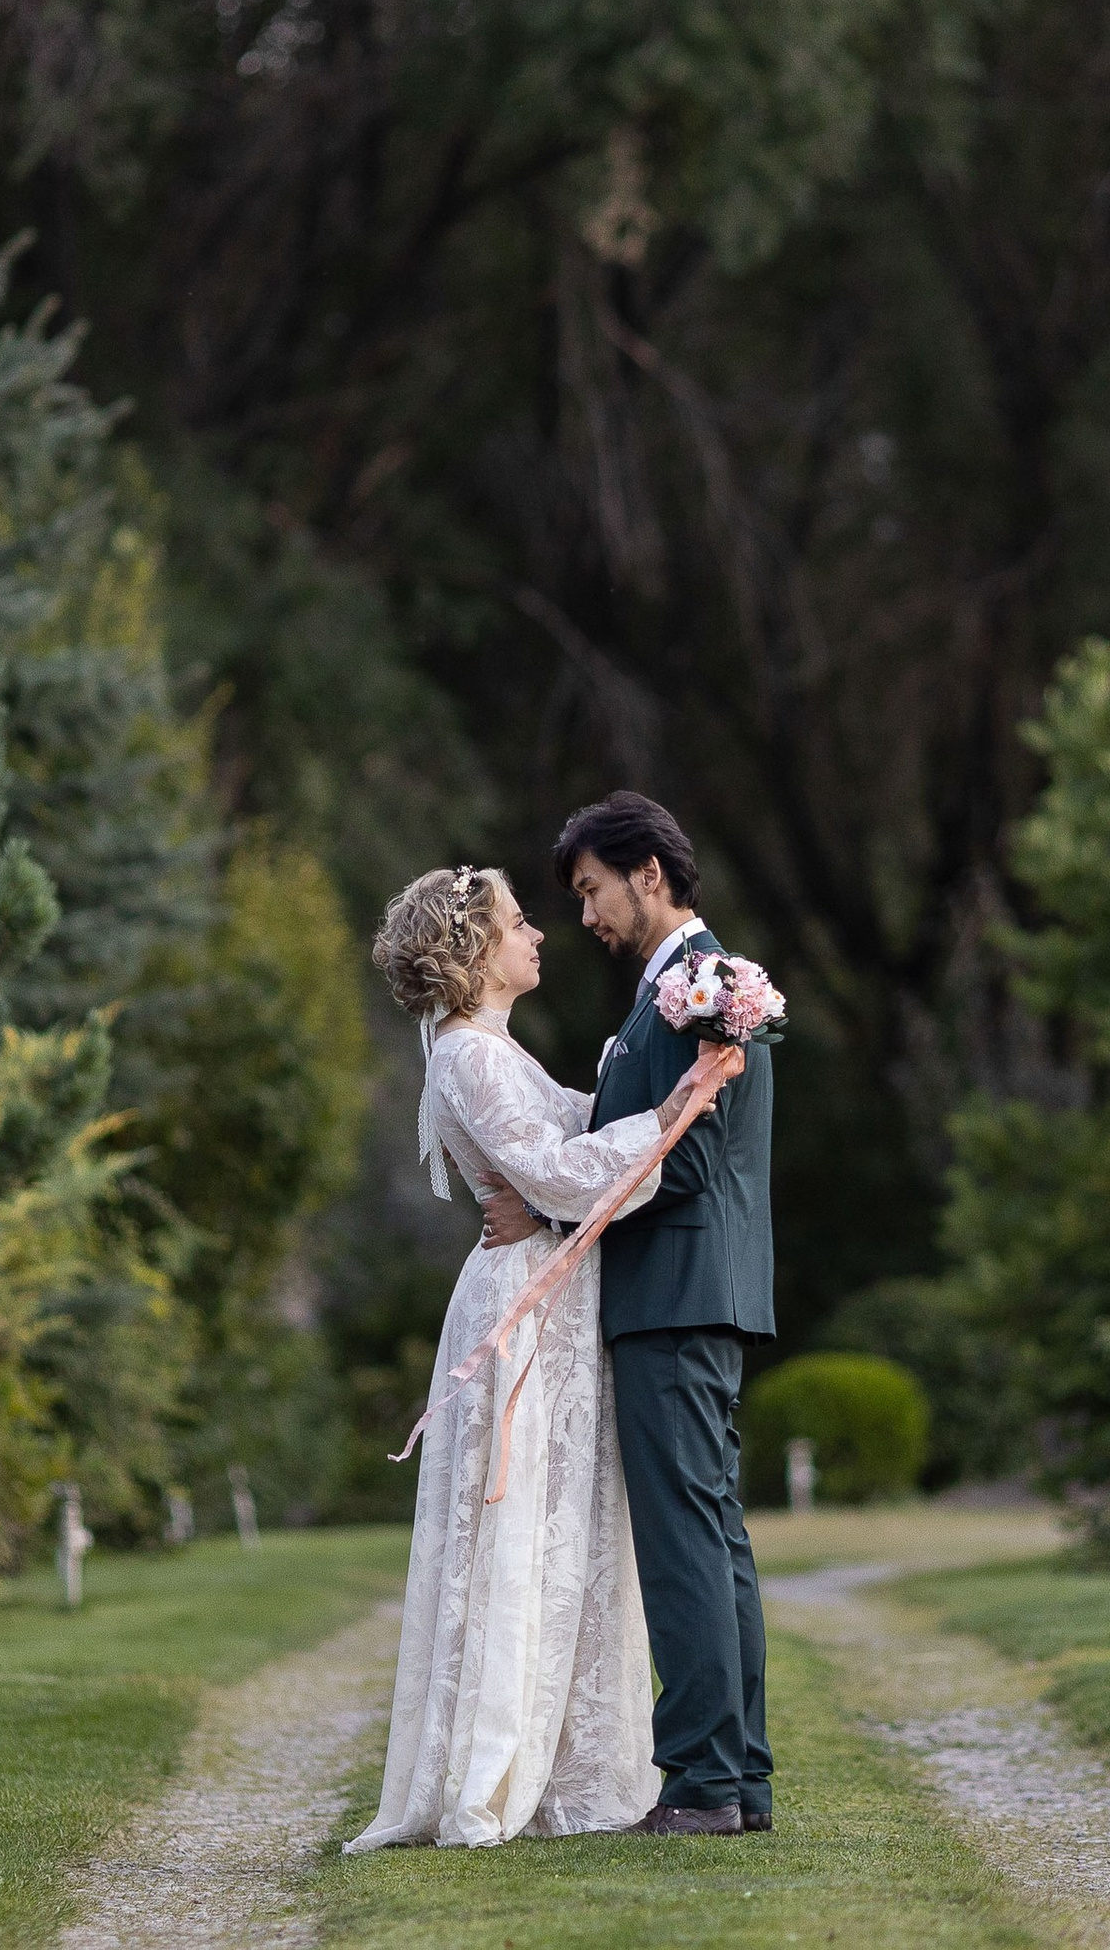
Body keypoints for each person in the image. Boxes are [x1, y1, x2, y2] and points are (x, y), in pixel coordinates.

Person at [345, 863, 705, 1850]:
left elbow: (565, 1136)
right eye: (515, 923)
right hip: (521, 1307)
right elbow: (551, 1169)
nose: (537, 934)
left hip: (550, 1295)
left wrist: (641, 1106)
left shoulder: (493, 1050)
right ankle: (494, 1771)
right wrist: (668, 1119)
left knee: (563, 1529)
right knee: (520, 1530)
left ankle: (563, 1770)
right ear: (471, 949)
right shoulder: (468, 1054)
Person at [551, 790, 776, 1839]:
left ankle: (699, 1783)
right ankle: (737, 1780)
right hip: (700, 1292)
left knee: (685, 1543)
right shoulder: (691, 986)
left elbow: (677, 1155)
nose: (586, 916)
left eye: (592, 890)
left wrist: (567, 1180)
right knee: (713, 1536)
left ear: (649, 873)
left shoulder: (695, 985)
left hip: (674, 1295)